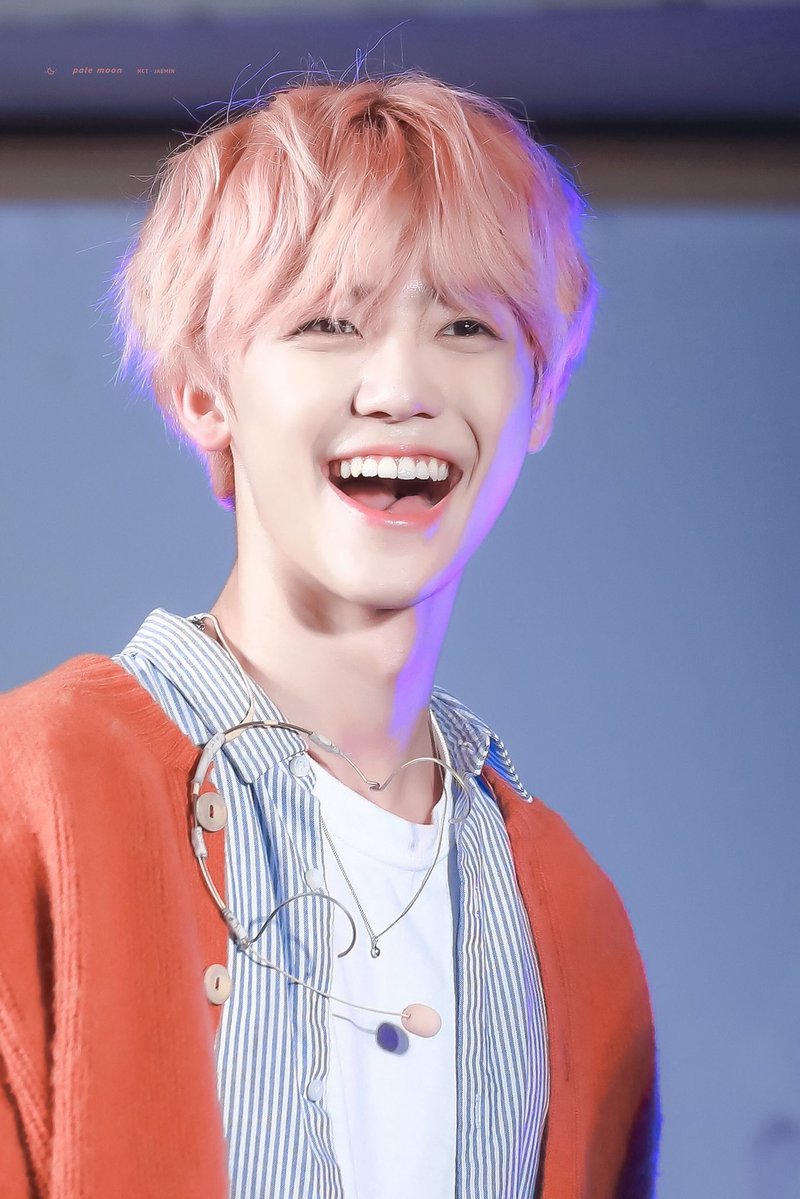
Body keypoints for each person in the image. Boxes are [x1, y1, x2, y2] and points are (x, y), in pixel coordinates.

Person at [0, 70, 660, 1198]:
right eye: (328, 324)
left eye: (467, 325)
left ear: (540, 395)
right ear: (203, 392)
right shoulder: (37, 783)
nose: (400, 386)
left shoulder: (569, 905)